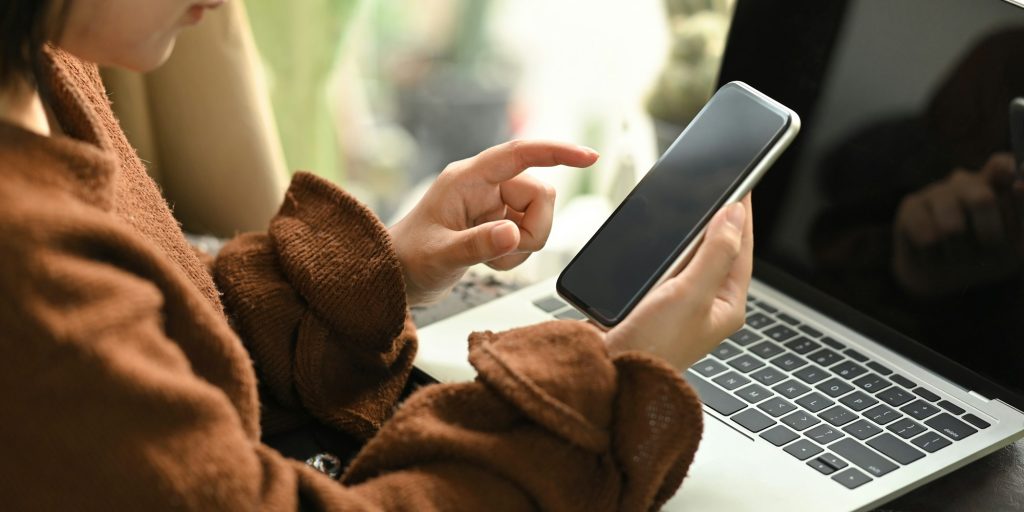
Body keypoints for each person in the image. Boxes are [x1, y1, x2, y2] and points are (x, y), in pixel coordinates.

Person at [0, 1, 753, 510]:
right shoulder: (28, 274)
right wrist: (601, 393)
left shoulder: (45, 56)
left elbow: (163, 341)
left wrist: (379, 273)